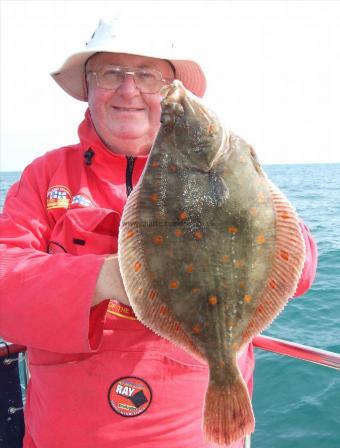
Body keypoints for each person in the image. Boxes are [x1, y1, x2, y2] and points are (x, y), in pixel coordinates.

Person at [0, 18, 317, 448]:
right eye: (111, 73)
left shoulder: (232, 166)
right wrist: (104, 279)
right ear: (88, 88)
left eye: (148, 76)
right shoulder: (44, 176)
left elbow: (299, 274)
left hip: (193, 432)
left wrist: (248, 203)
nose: (129, 90)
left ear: (168, 92)